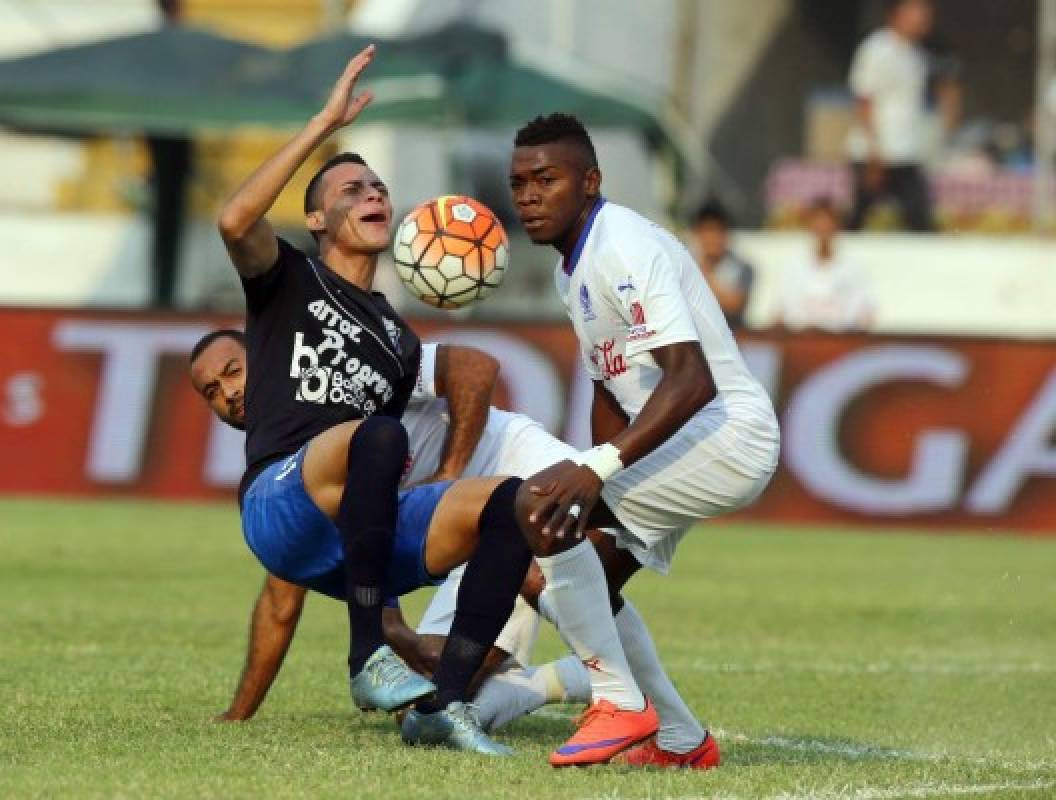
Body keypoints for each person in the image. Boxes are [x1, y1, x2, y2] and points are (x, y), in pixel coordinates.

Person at [216, 44, 531, 755]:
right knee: (376, 438)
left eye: (379, 186)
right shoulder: (287, 278)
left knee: (512, 504)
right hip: (278, 499)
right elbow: (235, 221)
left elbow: (380, 485)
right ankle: (365, 662)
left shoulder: (398, 338)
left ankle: (443, 708)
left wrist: (450, 475)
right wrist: (322, 126)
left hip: (347, 525)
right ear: (318, 220)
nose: (373, 195)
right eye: (352, 189)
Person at [508, 113, 781, 768]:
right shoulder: (567, 271)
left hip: (725, 434)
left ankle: (618, 704)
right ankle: (683, 741)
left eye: (547, 178)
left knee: (535, 510)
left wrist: (595, 471)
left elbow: (690, 381)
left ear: (591, 181)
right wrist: (592, 476)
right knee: (571, 578)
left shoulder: (622, 244)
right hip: (678, 445)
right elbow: (610, 389)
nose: (529, 195)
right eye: (518, 183)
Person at [189, 330, 592, 732]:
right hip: (464, 527)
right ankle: (554, 685)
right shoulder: (287, 465)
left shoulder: (339, 371)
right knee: (430, 687)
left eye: (233, 371)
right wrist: (238, 713)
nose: (228, 392)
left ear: (268, 361)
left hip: (522, 464)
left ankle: (630, 701)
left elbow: (475, 367)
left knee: (551, 567)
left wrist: (447, 472)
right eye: (211, 391)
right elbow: (285, 596)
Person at [846, 0, 943, 231]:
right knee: (858, 220)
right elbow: (864, 101)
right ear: (897, 14)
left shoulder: (916, 56)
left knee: (919, 219)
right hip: (876, 153)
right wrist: (873, 151)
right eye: (915, 10)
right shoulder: (876, 50)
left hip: (905, 151)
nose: (922, 17)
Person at [776, 198, 876, 333]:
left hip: (841, 340)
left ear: (836, 226)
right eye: (818, 222)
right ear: (810, 227)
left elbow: (865, 313)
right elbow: (782, 312)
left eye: (827, 223)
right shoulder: (794, 267)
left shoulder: (853, 269)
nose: (823, 228)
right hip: (802, 339)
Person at [688, 201, 755, 329]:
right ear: (697, 233)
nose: (713, 238)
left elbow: (735, 306)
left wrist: (703, 277)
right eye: (707, 231)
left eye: (718, 231)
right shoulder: (684, 264)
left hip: (732, 336)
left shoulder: (743, 268)